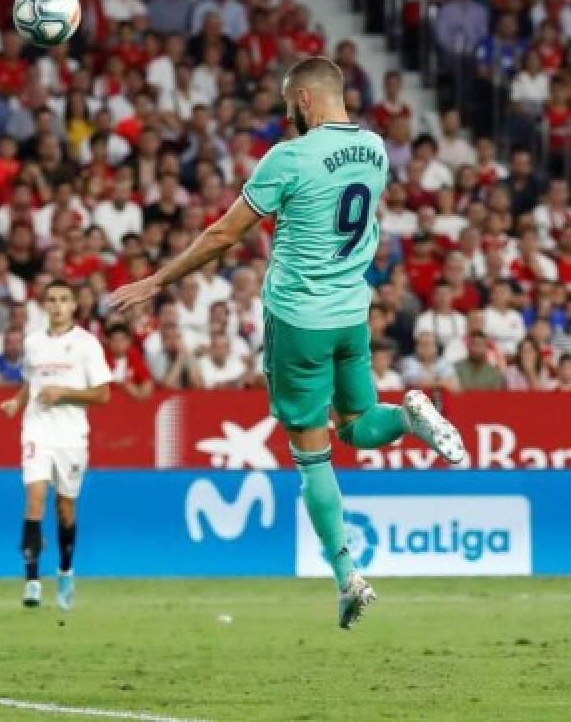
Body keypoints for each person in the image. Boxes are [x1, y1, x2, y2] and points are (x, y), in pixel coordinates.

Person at [111, 56, 467, 630]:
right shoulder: (375, 150)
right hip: (352, 311)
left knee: (312, 451)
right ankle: (407, 416)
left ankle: (347, 575)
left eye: (285, 104)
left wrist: (157, 281)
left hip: (299, 318)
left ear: (303, 101)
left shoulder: (290, 157)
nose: (284, 115)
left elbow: (225, 233)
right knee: (355, 422)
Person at [0, 279, 110, 610]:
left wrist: (63, 393)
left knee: (65, 509)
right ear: (45, 306)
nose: (57, 305)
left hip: (71, 436)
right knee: (34, 501)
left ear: (75, 305)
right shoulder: (32, 344)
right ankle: (31, 581)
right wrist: (17, 403)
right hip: (36, 430)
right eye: (51, 300)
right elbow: (30, 382)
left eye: (64, 299)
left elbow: (102, 394)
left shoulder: (87, 345)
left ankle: (65, 572)